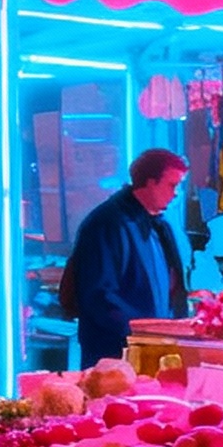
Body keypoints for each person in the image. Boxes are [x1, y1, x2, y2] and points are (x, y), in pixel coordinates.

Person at [61, 147, 191, 367]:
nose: (176, 193)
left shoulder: (160, 224)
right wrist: (141, 332)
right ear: (150, 182)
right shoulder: (107, 224)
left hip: (153, 347)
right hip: (114, 352)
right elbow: (98, 295)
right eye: (172, 185)